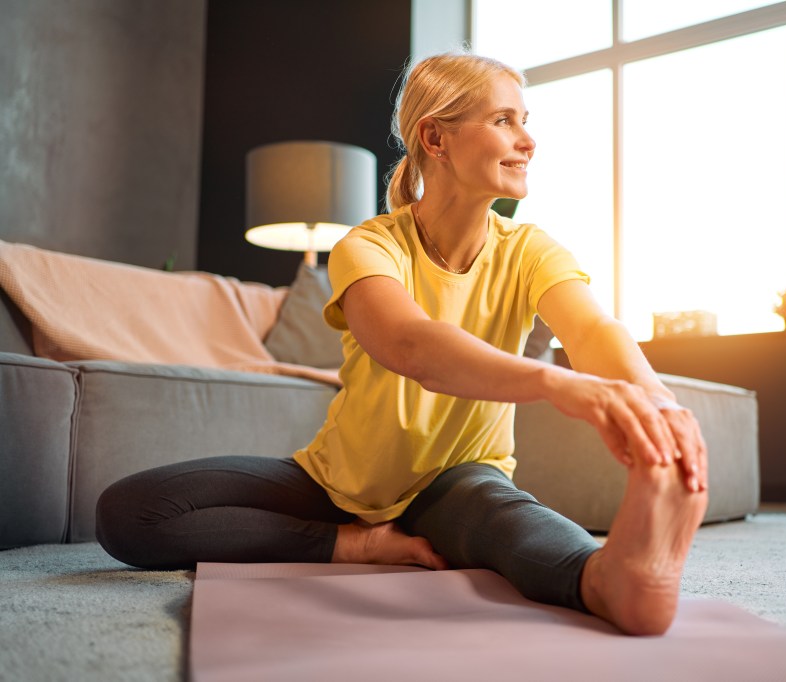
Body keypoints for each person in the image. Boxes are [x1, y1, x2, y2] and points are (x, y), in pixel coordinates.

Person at [96, 52, 708, 636]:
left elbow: (594, 331)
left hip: (457, 481)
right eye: (504, 120)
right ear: (435, 139)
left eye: (526, 121)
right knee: (127, 514)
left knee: (504, 518)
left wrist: (655, 399)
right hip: (334, 485)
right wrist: (557, 383)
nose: (528, 140)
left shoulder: (530, 250)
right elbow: (413, 345)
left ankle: (610, 580)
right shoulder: (369, 245)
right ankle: (355, 545)